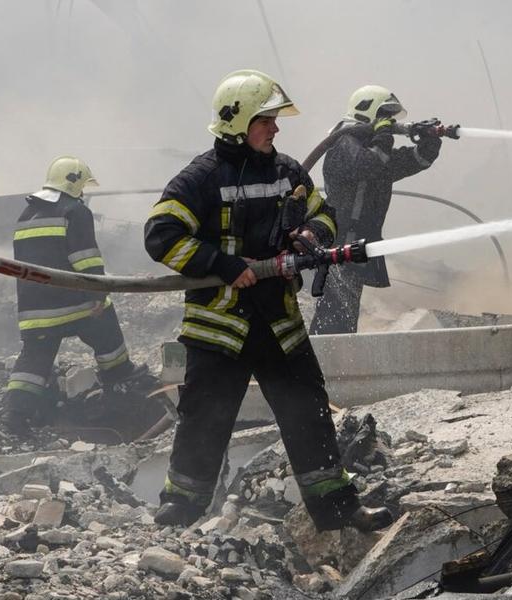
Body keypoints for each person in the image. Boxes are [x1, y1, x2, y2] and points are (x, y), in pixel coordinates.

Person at [143, 69, 393, 531]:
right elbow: (161, 236)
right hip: (220, 326)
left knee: (309, 414)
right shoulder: (200, 178)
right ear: (237, 121)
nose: (275, 129)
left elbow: (325, 214)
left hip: (279, 320)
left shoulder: (288, 171)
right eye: (267, 120)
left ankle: (338, 509)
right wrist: (223, 265)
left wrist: (310, 234)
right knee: (204, 419)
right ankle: (180, 512)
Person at [2, 156, 160, 438]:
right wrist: (98, 292)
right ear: (73, 183)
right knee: (106, 325)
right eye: (83, 186)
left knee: (34, 357)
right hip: (74, 303)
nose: (84, 192)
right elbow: (84, 258)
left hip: (34, 311)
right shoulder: (75, 211)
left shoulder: (25, 215)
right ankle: (119, 376)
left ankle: (16, 414)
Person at [308, 85, 444, 335]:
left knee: (344, 317)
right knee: (335, 318)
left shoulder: (373, 153)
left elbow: (410, 161)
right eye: (384, 115)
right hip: (341, 245)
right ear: (366, 113)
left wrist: (428, 144)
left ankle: (330, 365)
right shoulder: (343, 145)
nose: (390, 122)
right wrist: (383, 134)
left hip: (356, 247)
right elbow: (368, 165)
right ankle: (323, 364)